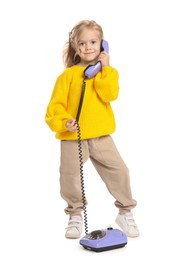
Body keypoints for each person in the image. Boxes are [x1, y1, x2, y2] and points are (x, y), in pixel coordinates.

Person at [45, 20, 139, 239]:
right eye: (82, 43)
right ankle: (75, 214)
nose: (88, 47)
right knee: (70, 176)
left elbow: (109, 95)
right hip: (73, 136)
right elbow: (54, 108)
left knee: (119, 171)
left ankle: (125, 211)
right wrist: (65, 121)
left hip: (101, 135)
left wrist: (104, 69)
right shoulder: (66, 76)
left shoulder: (108, 73)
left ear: (102, 45)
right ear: (75, 47)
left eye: (94, 42)